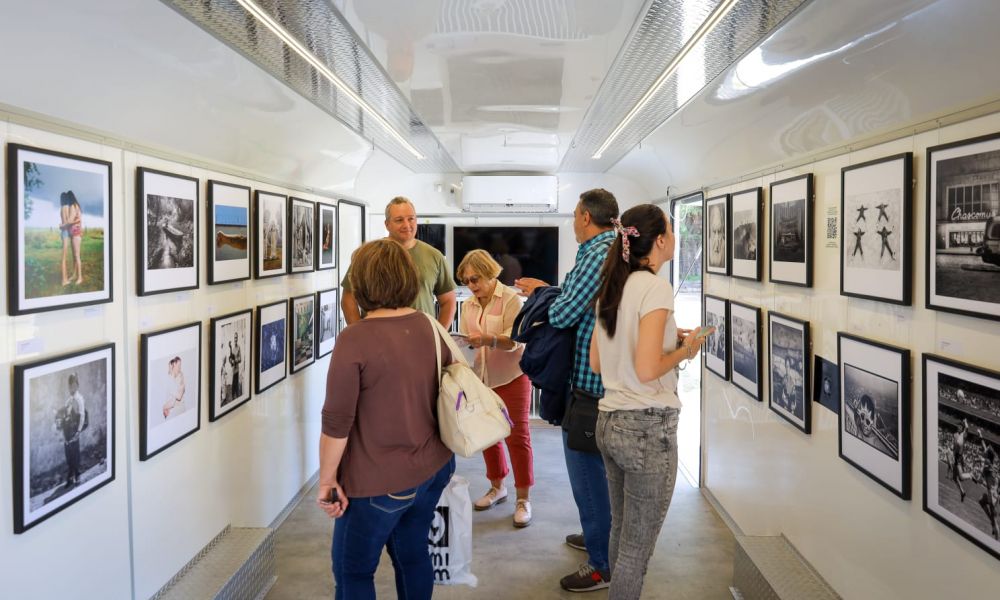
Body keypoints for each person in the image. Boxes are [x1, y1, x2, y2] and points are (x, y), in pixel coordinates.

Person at [318, 238, 456, 600]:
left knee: (353, 571)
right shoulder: (430, 326)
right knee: (412, 556)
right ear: (409, 277)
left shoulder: (355, 338)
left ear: (361, 283)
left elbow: (336, 422)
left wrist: (327, 480)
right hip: (432, 469)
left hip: (377, 482)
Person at [589, 204, 706, 599]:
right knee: (636, 552)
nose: (674, 238)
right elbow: (646, 369)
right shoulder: (654, 287)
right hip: (646, 428)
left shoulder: (613, 284)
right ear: (658, 241)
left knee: (622, 536)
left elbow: (596, 359)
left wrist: (669, 342)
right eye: (671, 231)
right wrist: (686, 350)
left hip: (609, 422)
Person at [515, 188, 619, 592]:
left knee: (585, 471)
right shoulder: (615, 248)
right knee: (598, 471)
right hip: (607, 382)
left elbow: (562, 313)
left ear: (587, 217)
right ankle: (598, 536)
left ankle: (601, 564)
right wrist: (554, 288)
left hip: (592, 386)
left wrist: (547, 295)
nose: (573, 221)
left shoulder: (596, 254)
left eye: (575, 214)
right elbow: (580, 302)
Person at [457, 249, 534, 527]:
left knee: (517, 436)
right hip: (482, 379)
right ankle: (497, 487)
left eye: (475, 278)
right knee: (488, 435)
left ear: (490, 273)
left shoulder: (513, 299)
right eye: (466, 281)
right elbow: (470, 341)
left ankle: (523, 498)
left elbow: (516, 341)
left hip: (512, 376)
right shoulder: (468, 305)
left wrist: (488, 339)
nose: (471, 285)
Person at [341, 197, 456, 328]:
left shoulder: (435, 256)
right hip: (377, 338)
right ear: (387, 224)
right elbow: (348, 300)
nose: (407, 225)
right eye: (399, 220)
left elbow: (448, 301)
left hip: (421, 339)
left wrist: (439, 336)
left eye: (411, 219)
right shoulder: (369, 255)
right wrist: (359, 333)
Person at [55, 373, 86, 487]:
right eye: (70, 386)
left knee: (75, 454)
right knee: (68, 455)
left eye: (73, 385)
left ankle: (76, 475)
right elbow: (64, 416)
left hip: (74, 431)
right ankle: (71, 474)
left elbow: (82, 415)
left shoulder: (79, 399)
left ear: (77, 386)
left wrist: (78, 431)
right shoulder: (68, 401)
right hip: (67, 432)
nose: (71, 388)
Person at [59, 190, 84, 286]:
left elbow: (70, 220)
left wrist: (62, 225)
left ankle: (80, 277)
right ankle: (74, 275)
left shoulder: (73, 206)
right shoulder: (75, 206)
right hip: (75, 233)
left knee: (77, 256)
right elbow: (77, 220)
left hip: (75, 234)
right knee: (75, 256)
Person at [229, 332, 243, 399]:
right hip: (233, 369)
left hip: (237, 368)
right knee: (233, 381)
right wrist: (231, 361)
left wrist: (235, 360)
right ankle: (233, 395)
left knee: (236, 381)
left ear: (238, 338)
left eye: (236, 337)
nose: (235, 339)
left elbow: (240, 359)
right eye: (235, 337)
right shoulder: (232, 348)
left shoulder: (238, 347)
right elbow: (230, 358)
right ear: (233, 338)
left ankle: (236, 395)